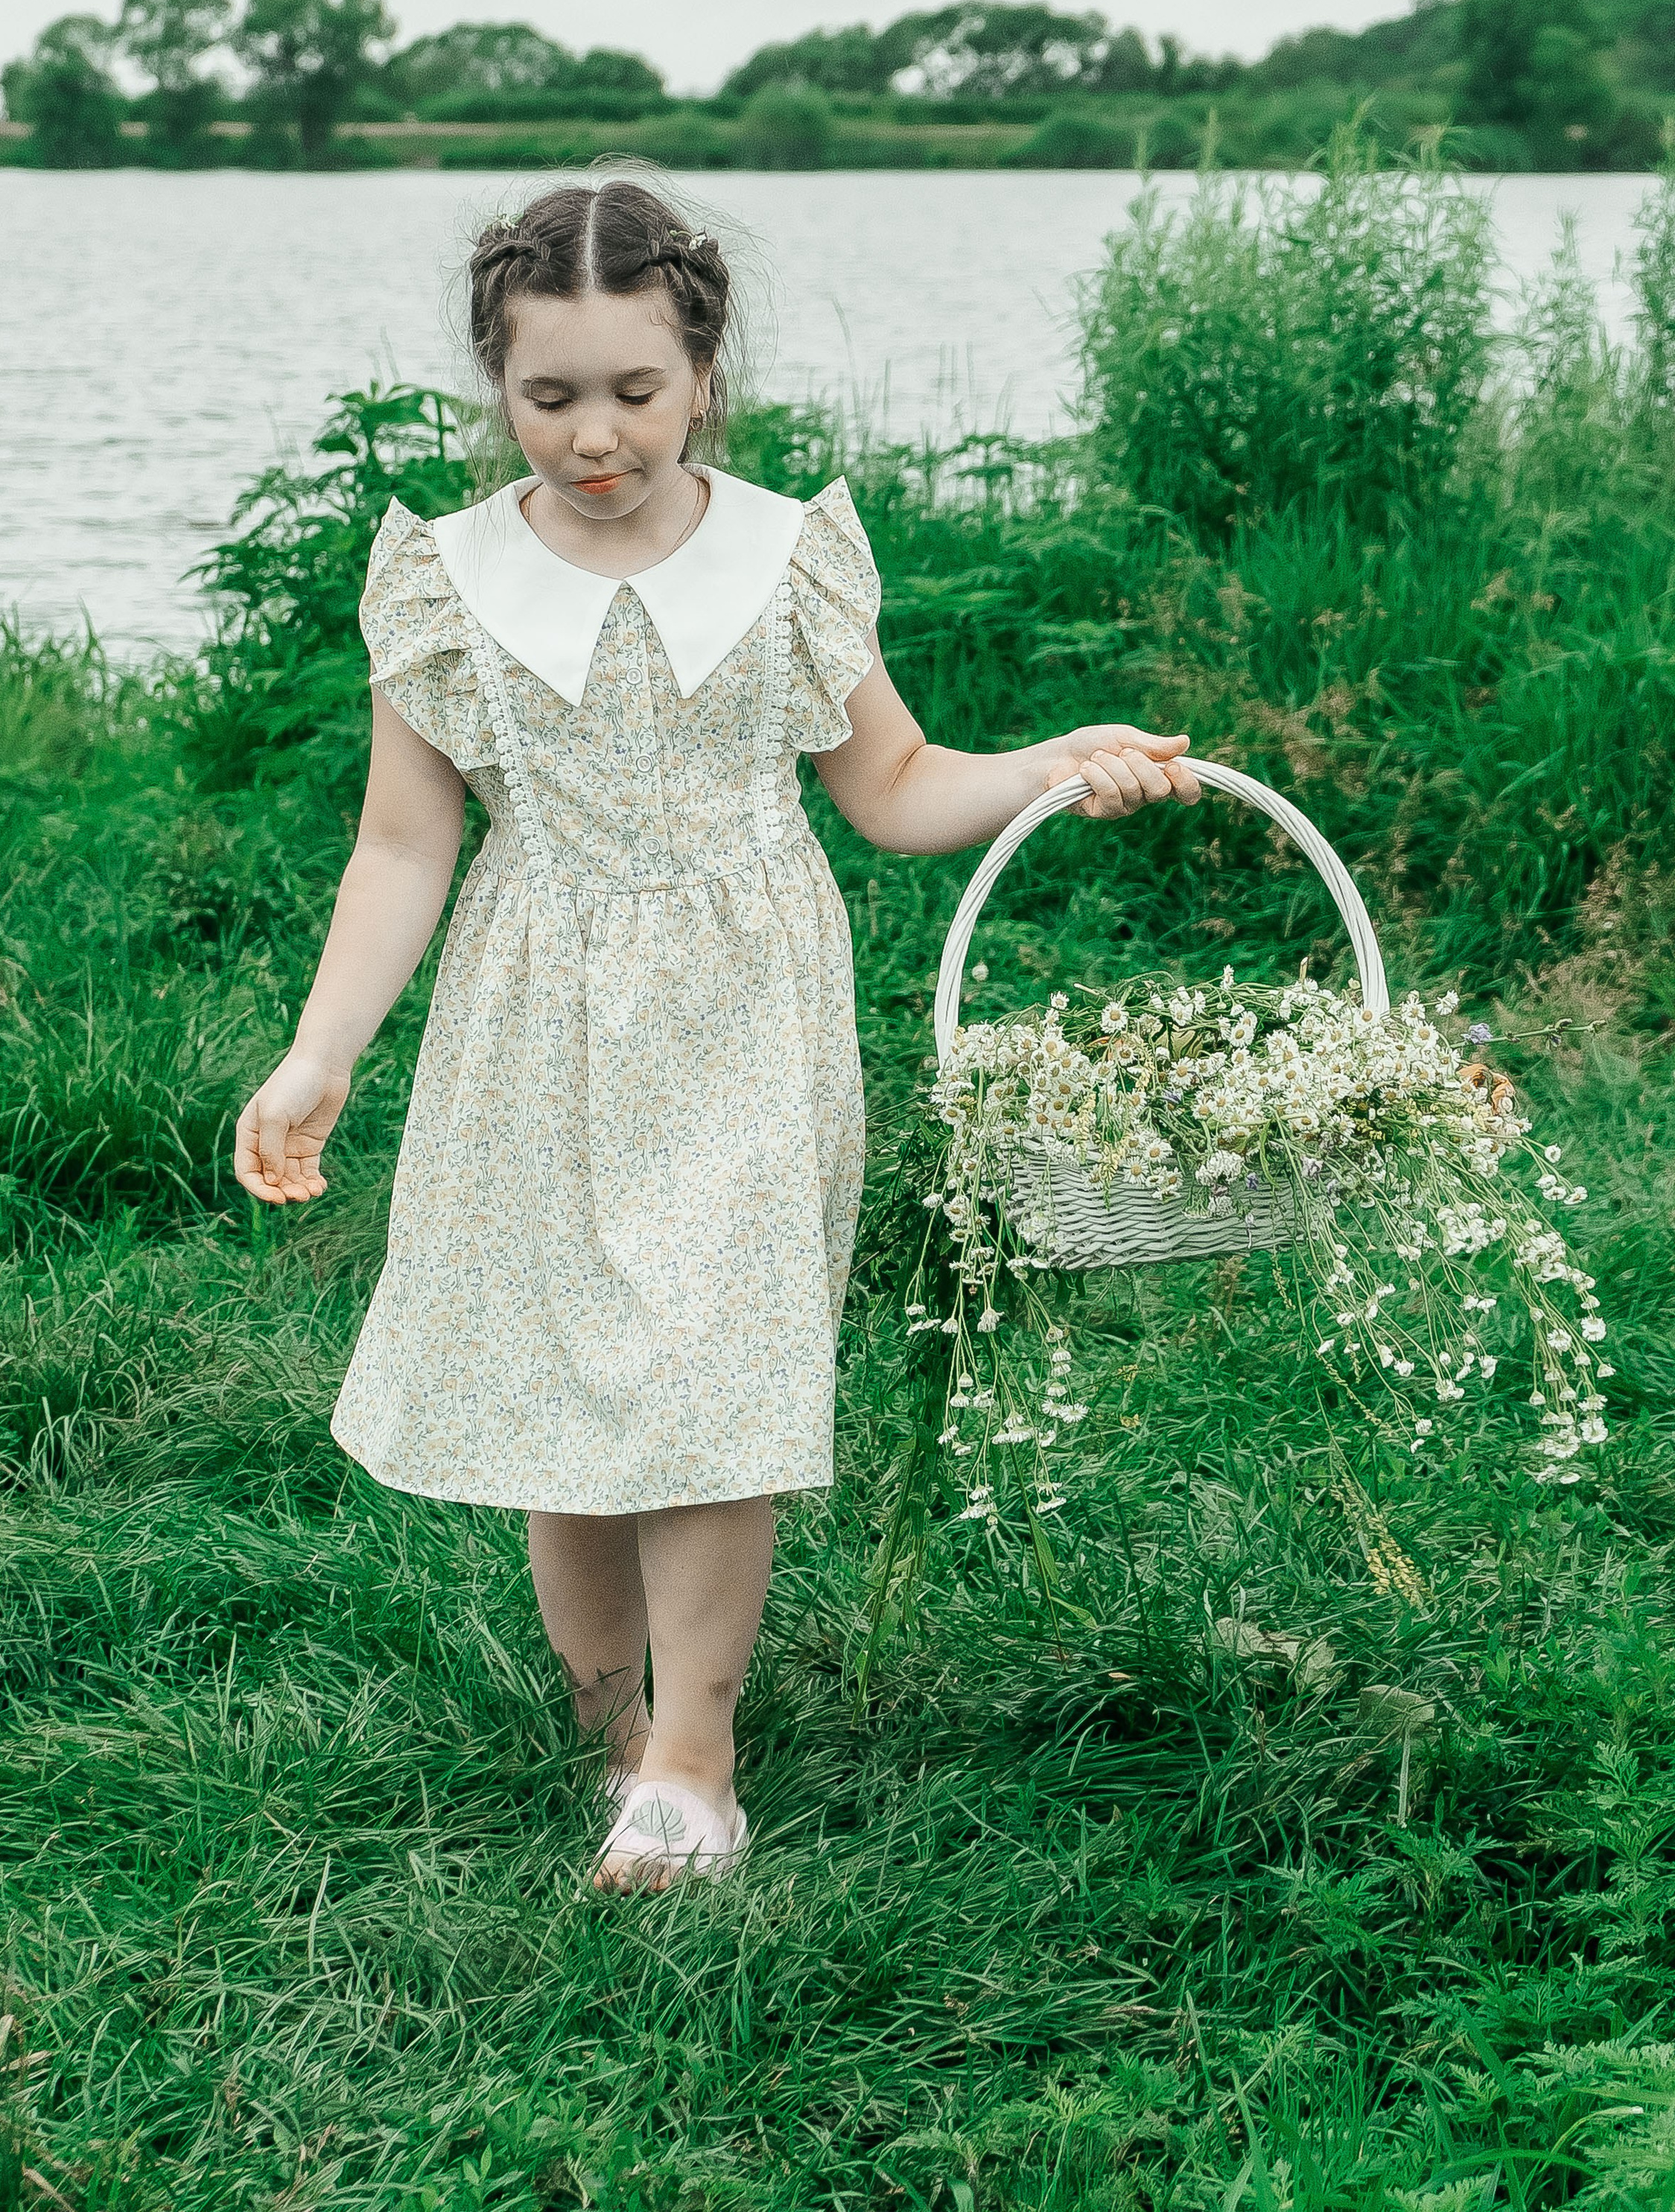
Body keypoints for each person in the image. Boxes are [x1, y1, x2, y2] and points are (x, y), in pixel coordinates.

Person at [234, 174, 1198, 1890]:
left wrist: (1051, 765)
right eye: (549, 397)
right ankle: (619, 1726)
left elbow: (893, 789)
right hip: (533, 1021)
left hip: (746, 1016)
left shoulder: (781, 557)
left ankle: (696, 1754)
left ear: (700, 374)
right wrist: (322, 1054)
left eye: (633, 392)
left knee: (706, 1370)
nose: (593, 436)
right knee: (563, 1394)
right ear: (495, 385)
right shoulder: (446, 583)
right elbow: (402, 844)